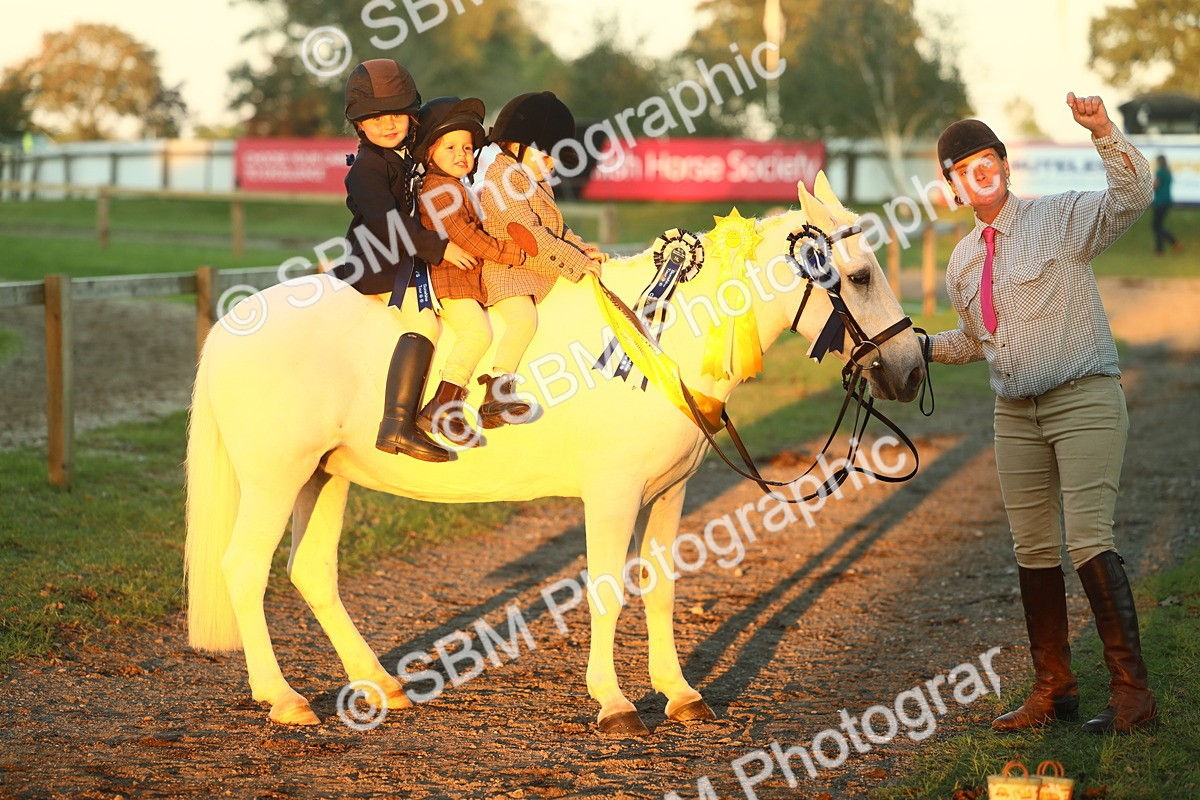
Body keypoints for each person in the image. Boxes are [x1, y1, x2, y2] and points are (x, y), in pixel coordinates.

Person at [923, 93, 1157, 734]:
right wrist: (920, 350)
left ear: (1003, 163)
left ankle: (1133, 695)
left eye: (985, 162)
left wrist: (1103, 131)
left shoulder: (1059, 219)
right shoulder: (962, 261)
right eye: (961, 170)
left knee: (1087, 537)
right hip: (1013, 414)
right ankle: (1055, 690)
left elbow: (1133, 196)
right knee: (1032, 548)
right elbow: (976, 338)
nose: (977, 176)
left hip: (1083, 397)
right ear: (950, 186)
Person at [329, 59, 477, 462]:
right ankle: (397, 424)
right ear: (359, 124)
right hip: (378, 264)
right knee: (425, 322)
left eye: (397, 114)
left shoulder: (402, 155)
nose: (388, 123)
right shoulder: (365, 170)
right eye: (376, 118)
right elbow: (389, 225)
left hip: (405, 259)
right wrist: (440, 248)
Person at [470, 91, 608, 429]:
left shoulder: (526, 177)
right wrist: (574, 263)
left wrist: (580, 248)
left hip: (527, 269)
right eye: (547, 156)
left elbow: (556, 227)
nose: (553, 165)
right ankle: (498, 391)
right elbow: (530, 239)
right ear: (516, 145)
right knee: (522, 320)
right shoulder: (501, 181)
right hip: (507, 272)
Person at [411, 96, 529, 447]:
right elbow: (465, 235)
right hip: (451, 281)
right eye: (451, 146)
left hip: (464, 281)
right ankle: (443, 403)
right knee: (477, 334)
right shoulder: (440, 189)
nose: (463, 153)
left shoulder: (456, 185)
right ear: (430, 152)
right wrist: (508, 253)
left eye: (467, 147)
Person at [1152, 154, 1181, 256]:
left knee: (1156, 226)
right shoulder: (1168, 172)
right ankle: (1165, 247)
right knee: (1159, 226)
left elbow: (1155, 185)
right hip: (1167, 201)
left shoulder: (1160, 171)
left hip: (1160, 201)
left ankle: (1164, 247)